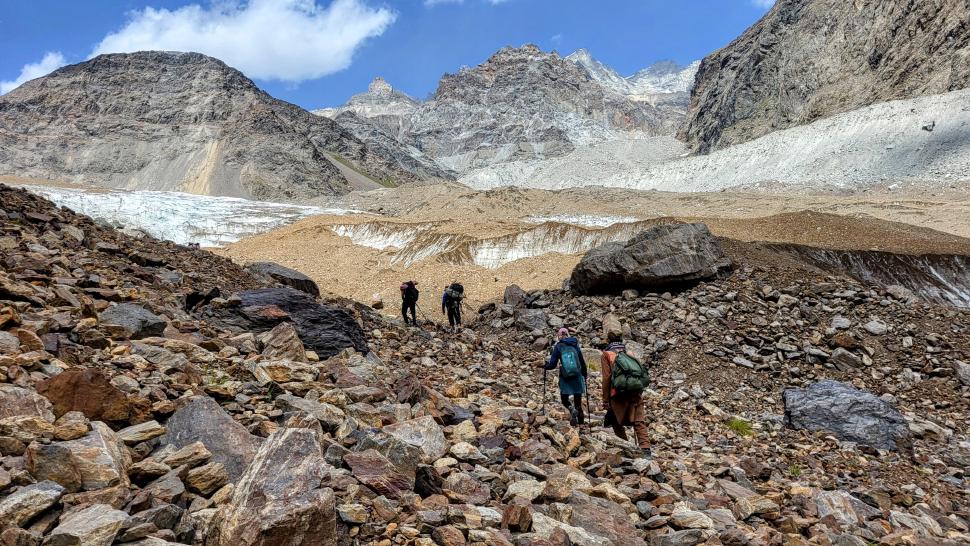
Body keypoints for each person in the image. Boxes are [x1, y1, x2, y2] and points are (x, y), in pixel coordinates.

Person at [601, 331, 651, 457]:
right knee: (639, 421)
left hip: (617, 394)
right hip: (635, 390)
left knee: (615, 421)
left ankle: (626, 447)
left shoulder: (607, 354)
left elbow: (606, 378)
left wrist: (606, 399)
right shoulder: (629, 353)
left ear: (608, 341)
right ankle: (646, 450)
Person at [540, 327, 588, 425]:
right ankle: (581, 426)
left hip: (565, 377)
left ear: (559, 336)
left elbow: (552, 364)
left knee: (564, 399)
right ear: (568, 335)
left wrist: (545, 366)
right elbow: (582, 362)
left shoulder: (558, 346)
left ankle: (571, 408)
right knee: (578, 401)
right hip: (577, 376)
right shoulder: (575, 344)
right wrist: (585, 374)